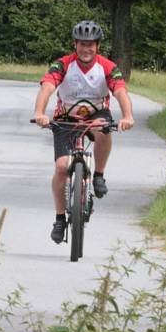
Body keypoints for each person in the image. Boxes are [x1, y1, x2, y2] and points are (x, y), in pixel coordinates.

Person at [32, 20, 134, 244]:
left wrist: (127, 116)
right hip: (66, 118)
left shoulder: (107, 67)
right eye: (82, 44)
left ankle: (98, 175)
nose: (86, 49)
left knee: (103, 129)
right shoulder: (63, 65)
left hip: (97, 115)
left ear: (97, 46)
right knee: (61, 167)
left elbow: (120, 91)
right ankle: (59, 219)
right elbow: (47, 88)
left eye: (91, 45)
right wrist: (40, 113)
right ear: (75, 45)